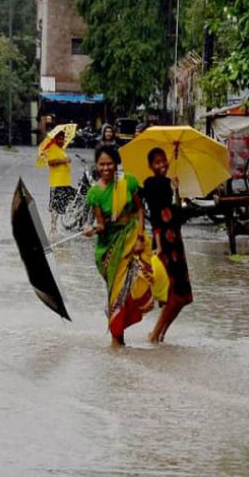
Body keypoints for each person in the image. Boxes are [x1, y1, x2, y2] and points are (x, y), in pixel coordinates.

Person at [82, 145, 160, 347]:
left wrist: (141, 236)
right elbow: (101, 223)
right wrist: (91, 229)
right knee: (117, 295)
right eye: (102, 164)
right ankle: (117, 341)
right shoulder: (95, 193)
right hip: (110, 249)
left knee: (134, 287)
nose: (106, 168)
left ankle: (120, 341)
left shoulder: (129, 182)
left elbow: (139, 210)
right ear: (97, 166)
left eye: (109, 163)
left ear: (115, 164)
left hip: (133, 239)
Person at [142, 147, 193, 343]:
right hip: (164, 243)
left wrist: (177, 192)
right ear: (150, 166)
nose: (162, 165)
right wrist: (159, 245)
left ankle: (161, 334)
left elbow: (176, 215)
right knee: (174, 294)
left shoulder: (168, 184)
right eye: (157, 162)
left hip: (176, 242)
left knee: (184, 296)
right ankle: (155, 334)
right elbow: (155, 217)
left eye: (164, 161)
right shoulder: (152, 184)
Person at [40, 130, 73, 231]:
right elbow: (50, 162)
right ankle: (53, 228)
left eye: (63, 138)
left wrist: (67, 159)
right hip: (57, 182)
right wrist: (64, 160)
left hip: (65, 181)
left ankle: (56, 227)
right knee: (55, 207)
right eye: (59, 138)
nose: (62, 140)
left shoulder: (61, 149)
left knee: (62, 205)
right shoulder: (53, 148)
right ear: (55, 139)